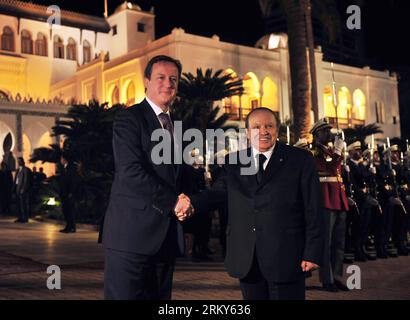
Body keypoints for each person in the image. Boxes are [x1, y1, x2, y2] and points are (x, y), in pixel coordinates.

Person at [186, 107, 324, 300]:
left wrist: (312, 253)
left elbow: (314, 209)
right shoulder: (233, 162)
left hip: (287, 258)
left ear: (277, 129)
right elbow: (217, 193)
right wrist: (190, 203)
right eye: (256, 126)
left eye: (269, 126)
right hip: (247, 260)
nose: (263, 131)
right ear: (248, 133)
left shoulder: (299, 160)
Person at [102, 55, 193, 300]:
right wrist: (174, 201)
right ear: (146, 81)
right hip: (130, 238)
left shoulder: (177, 126)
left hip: (165, 240)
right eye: (161, 77)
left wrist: (191, 200)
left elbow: (179, 176)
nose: (168, 84)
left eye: (173, 79)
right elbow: (131, 172)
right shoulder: (129, 118)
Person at [310, 119, 349, 292]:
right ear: (316, 134)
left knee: (339, 243)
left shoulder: (330, 150)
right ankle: (327, 279)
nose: (329, 134)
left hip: (338, 200)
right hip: (325, 201)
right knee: (327, 243)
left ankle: (337, 276)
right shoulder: (314, 152)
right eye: (325, 131)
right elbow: (331, 168)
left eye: (329, 131)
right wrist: (339, 152)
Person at [59, 156, 78, 233]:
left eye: (61, 159)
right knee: (66, 210)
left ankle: (71, 227)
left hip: (68, 194)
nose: (60, 160)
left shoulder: (71, 168)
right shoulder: (64, 168)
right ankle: (68, 226)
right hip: (64, 193)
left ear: (64, 159)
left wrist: (71, 192)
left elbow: (73, 181)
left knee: (69, 210)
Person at [14, 157, 32, 223]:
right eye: (18, 161)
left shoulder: (26, 169)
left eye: (19, 161)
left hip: (22, 189)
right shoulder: (18, 169)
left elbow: (26, 180)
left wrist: (23, 189)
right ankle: (20, 217)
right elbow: (16, 180)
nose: (18, 162)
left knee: (23, 204)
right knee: (19, 204)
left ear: (22, 161)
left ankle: (25, 218)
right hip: (17, 188)